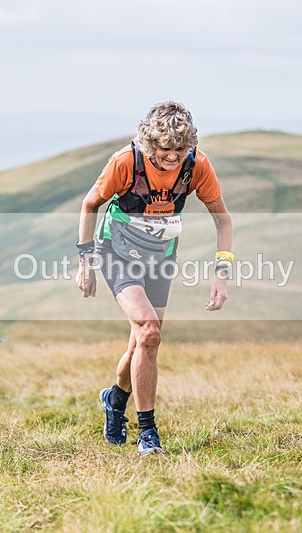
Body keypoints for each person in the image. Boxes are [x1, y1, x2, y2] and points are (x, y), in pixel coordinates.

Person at [76, 101, 233, 455]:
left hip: (160, 256)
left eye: (180, 150)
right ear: (150, 144)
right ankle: (148, 434)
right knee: (150, 332)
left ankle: (114, 399)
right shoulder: (126, 162)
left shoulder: (198, 167)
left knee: (141, 343)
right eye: (165, 151)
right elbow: (90, 204)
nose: (173, 158)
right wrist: (85, 263)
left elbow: (223, 220)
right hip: (115, 251)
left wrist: (221, 275)